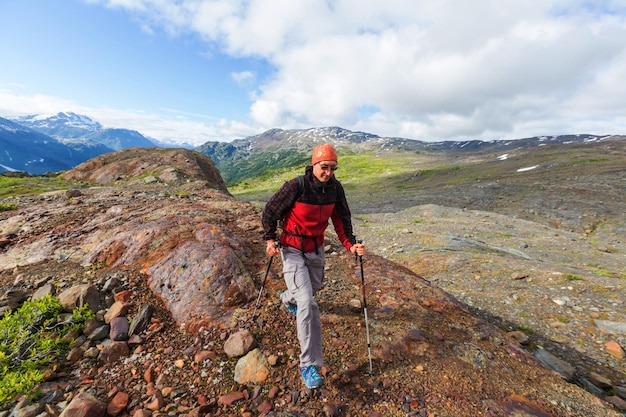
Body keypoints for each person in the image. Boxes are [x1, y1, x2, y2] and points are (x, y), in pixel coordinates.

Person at [261, 143, 365, 389]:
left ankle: (287, 298)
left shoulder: (335, 190)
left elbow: (341, 218)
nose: (328, 173)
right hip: (293, 249)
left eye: (332, 168)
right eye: (324, 167)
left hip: (316, 249)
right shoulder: (297, 186)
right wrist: (269, 239)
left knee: (313, 288)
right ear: (314, 164)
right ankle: (309, 364)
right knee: (308, 302)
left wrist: (350, 244)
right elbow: (269, 211)